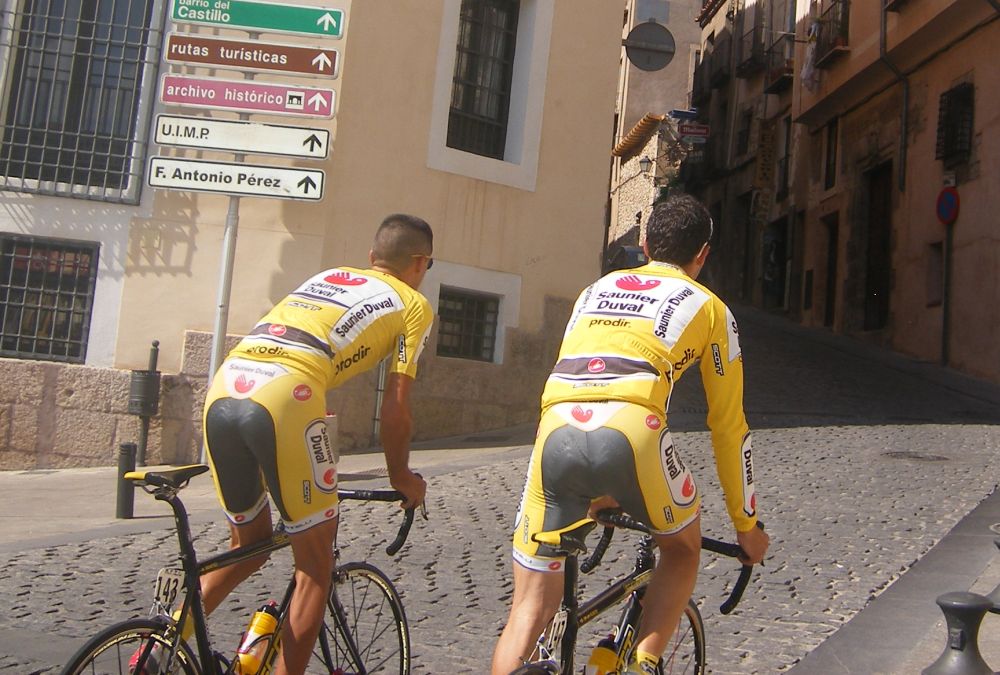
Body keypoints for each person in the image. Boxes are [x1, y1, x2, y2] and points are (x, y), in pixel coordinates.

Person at [491, 195, 769, 675]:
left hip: (555, 429)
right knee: (681, 549)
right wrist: (746, 526)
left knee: (528, 609)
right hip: (633, 430)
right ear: (703, 255)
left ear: (644, 244)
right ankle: (643, 663)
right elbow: (728, 427)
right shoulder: (711, 308)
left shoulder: (594, 290)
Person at [171, 214, 432, 675]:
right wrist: (401, 477)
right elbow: (395, 409)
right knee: (314, 566)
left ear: (371, 258)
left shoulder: (328, 276)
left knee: (248, 546)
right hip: (287, 394)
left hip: (227, 384)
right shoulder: (413, 304)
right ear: (419, 262)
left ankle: (158, 650)